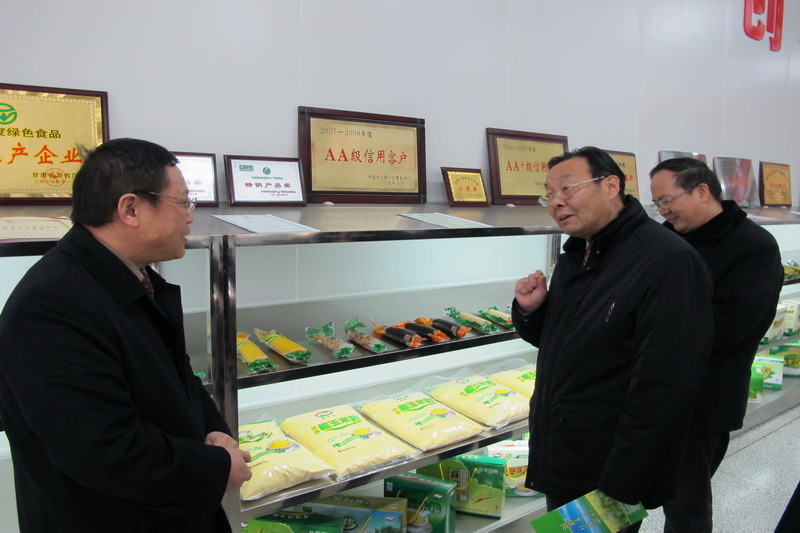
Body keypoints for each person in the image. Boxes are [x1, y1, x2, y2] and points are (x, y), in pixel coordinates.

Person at [0, 138, 251, 533]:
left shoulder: (131, 277)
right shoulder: (51, 304)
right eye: (182, 202)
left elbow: (179, 376)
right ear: (130, 209)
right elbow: (102, 450)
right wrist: (215, 468)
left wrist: (214, 431)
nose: (190, 218)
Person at [512, 146, 714, 532]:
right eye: (549, 195)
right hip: (565, 451)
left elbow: (667, 388)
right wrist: (531, 310)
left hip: (609, 468)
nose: (556, 202)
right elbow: (565, 344)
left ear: (610, 186)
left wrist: (621, 486)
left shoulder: (667, 261)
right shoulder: (578, 255)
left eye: (567, 189)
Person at [649, 157, 783, 533]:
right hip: (648, 395)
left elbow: (735, 327)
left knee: (685, 503)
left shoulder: (754, 246)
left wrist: (652, 329)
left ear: (702, 191)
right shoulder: (665, 238)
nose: (663, 211)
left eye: (667, 201)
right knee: (624, 491)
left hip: (701, 402)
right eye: (657, 204)